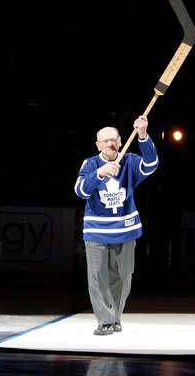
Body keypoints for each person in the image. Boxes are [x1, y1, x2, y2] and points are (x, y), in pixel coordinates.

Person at [74, 115, 159, 335]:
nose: (111, 143)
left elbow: (151, 164)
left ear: (121, 140)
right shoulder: (90, 164)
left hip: (125, 229)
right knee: (98, 277)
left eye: (114, 139)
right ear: (98, 145)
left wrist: (142, 135)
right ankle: (105, 321)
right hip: (97, 231)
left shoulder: (129, 161)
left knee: (123, 276)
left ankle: (115, 316)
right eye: (105, 141)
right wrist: (99, 173)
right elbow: (80, 190)